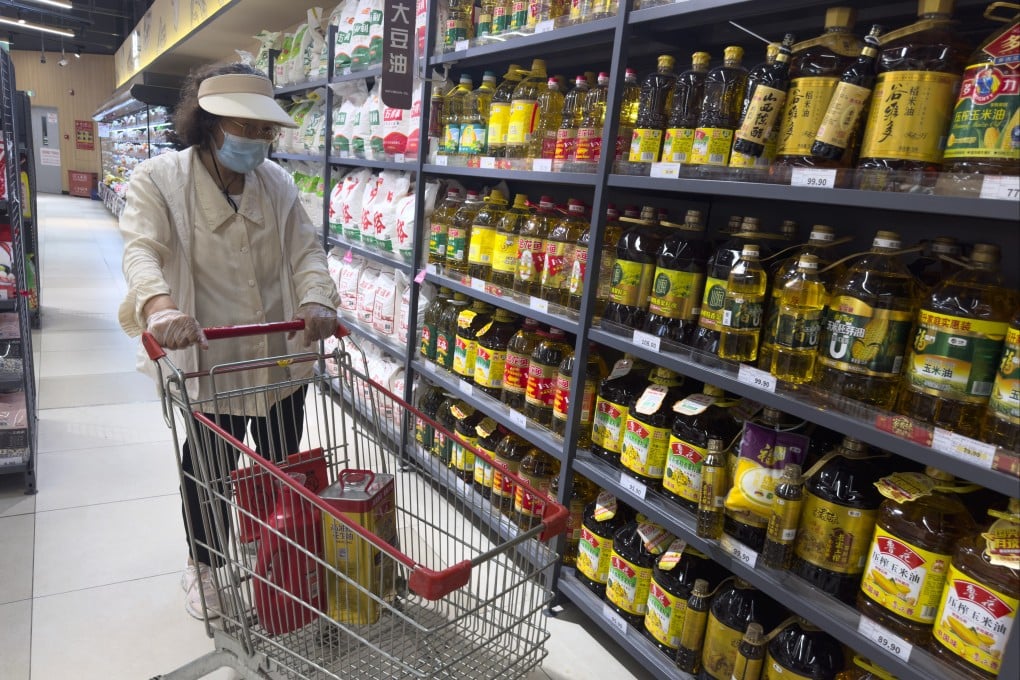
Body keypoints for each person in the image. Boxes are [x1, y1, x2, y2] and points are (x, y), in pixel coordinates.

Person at [117, 63, 340, 619]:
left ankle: (274, 543)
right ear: (209, 123)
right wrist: (159, 305)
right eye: (246, 127)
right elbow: (141, 248)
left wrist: (317, 299)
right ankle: (205, 562)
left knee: (280, 457)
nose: (258, 140)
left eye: (265, 130)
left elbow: (306, 251)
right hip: (213, 360)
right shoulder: (160, 180)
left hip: (279, 354)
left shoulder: (277, 183)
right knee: (210, 464)